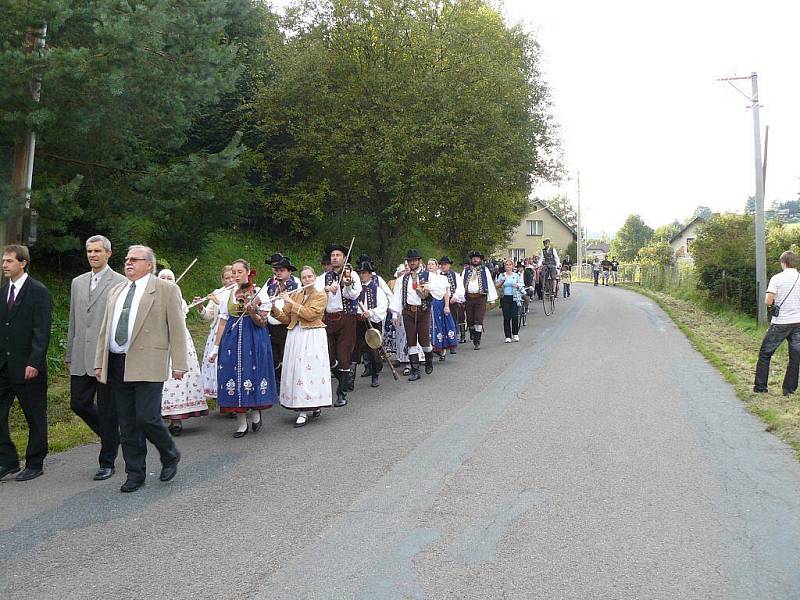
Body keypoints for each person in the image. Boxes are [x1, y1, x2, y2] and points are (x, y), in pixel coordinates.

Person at [94, 245, 186, 493]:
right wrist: (99, 362)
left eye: (135, 259)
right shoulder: (117, 290)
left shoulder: (166, 289)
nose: (128, 263)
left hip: (148, 362)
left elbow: (177, 327)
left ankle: (169, 454)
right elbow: (106, 328)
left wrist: (179, 363)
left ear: (149, 264)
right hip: (117, 362)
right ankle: (135, 473)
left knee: (147, 417)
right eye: (126, 259)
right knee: (127, 423)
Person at [66, 235, 126, 480]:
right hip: (81, 355)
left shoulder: (120, 282)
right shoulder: (78, 282)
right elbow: (73, 321)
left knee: (108, 408)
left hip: (106, 356)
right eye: (89, 251)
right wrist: (70, 352)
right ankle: (112, 436)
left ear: (108, 254)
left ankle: (107, 461)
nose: (92, 255)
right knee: (78, 403)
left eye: (97, 251)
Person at [208, 259, 278, 437]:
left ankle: (255, 412)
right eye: (234, 272)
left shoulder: (259, 292)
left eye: (239, 272)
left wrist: (252, 310)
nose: (236, 275)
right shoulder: (228, 294)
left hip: (254, 337)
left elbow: (262, 323)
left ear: (248, 272)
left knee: (252, 373)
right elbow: (223, 322)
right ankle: (241, 423)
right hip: (232, 339)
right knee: (233, 375)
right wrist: (215, 348)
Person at [0, 245, 52, 482]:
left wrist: (34, 361)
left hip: (29, 367)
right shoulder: (3, 291)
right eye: (3, 261)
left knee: (35, 416)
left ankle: (35, 462)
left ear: (23, 263)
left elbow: (42, 331)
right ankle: (8, 460)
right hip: (4, 367)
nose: (4, 265)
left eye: (9, 261)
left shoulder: (38, 291)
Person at [271, 266, 331, 427]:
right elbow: (285, 318)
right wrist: (272, 308)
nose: (307, 280)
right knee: (296, 370)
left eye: (310, 277)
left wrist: (290, 302)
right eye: (304, 277)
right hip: (295, 335)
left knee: (310, 370)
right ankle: (300, 407)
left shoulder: (320, 295)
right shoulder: (297, 294)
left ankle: (310, 406)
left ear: (315, 278)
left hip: (312, 336)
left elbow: (311, 315)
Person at [157, 269, 209, 436]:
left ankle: (176, 418)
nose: (166, 280)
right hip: (159, 343)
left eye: (169, 278)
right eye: (162, 277)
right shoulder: (150, 298)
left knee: (177, 380)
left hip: (178, 342)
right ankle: (159, 416)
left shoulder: (179, 299)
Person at [317, 244, 362, 407]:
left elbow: (354, 295)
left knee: (343, 356)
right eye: (333, 255)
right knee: (328, 357)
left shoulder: (352, 275)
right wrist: (326, 289)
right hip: (328, 319)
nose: (334, 257)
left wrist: (347, 284)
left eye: (338, 255)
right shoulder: (323, 277)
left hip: (346, 319)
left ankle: (341, 393)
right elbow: (314, 293)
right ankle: (345, 377)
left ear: (344, 258)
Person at [754, 251, 800, 395]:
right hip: (798, 322)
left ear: (783, 263)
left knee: (765, 353)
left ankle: (761, 388)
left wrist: (771, 306)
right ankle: (789, 389)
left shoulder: (777, 278)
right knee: (795, 357)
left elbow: (768, 300)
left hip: (780, 323)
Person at [391, 249, 434, 380]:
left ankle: (429, 359)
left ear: (419, 261)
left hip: (423, 311)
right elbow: (397, 296)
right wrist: (394, 314)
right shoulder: (402, 279)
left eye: (414, 260)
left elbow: (438, 290)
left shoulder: (428, 276)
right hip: (408, 311)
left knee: (424, 341)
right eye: (410, 261)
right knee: (411, 341)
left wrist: (429, 289)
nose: (412, 263)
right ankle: (415, 371)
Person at [197, 265, 235, 399]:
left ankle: (232, 397)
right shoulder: (218, 291)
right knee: (215, 364)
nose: (230, 280)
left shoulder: (239, 292)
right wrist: (200, 307)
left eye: (232, 276)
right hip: (216, 332)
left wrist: (218, 302)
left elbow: (233, 312)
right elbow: (208, 316)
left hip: (232, 331)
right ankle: (219, 396)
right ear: (223, 280)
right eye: (227, 278)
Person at [265, 253, 300, 393]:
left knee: (288, 357)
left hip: (287, 326)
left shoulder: (296, 285)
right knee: (273, 358)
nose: (278, 272)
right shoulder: (270, 285)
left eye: (282, 270)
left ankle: (290, 387)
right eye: (277, 270)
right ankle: (279, 384)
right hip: (271, 326)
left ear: (289, 271)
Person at [354, 261, 388, 387]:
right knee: (354, 350)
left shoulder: (377, 290)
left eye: (364, 273)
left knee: (374, 350)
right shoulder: (355, 289)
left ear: (369, 274)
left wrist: (371, 313)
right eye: (360, 273)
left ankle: (375, 375)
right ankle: (350, 381)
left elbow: (383, 306)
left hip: (372, 322)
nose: (361, 275)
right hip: (358, 322)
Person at [462, 250, 498, 350]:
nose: (475, 259)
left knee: (479, 319)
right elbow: (461, 284)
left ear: (480, 259)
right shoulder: (466, 270)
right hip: (468, 298)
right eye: (473, 258)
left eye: (477, 258)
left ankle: (477, 341)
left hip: (481, 297)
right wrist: (460, 297)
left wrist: (492, 298)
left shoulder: (484, 270)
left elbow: (490, 283)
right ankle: (473, 332)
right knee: (470, 319)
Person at [426, 258, 457, 360]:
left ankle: (442, 348)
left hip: (440, 303)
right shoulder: (424, 278)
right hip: (430, 303)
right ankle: (430, 349)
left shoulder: (442, 278)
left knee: (443, 325)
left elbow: (446, 293)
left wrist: (447, 306)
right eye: (428, 264)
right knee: (430, 325)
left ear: (437, 266)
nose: (430, 266)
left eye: (432, 264)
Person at [439, 257, 465, 353]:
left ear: (449, 265)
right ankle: (442, 344)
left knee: (452, 322)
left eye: (445, 264)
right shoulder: (437, 275)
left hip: (452, 300)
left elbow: (460, 287)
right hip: (440, 301)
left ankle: (452, 344)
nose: (443, 266)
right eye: (442, 264)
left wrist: (455, 296)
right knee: (441, 323)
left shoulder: (455, 275)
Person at [495, 259, 524, 343]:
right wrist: (502, 281)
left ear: (512, 266)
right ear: (504, 266)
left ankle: (515, 334)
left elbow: (521, 284)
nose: (508, 266)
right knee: (506, 317)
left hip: (515, 297)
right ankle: (507, 336)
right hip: (505, 297)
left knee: (515, 316)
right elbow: (497, 285)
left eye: (510, 265)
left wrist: (517, 285)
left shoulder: (516, 275)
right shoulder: (501, 275)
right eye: (506, 265)